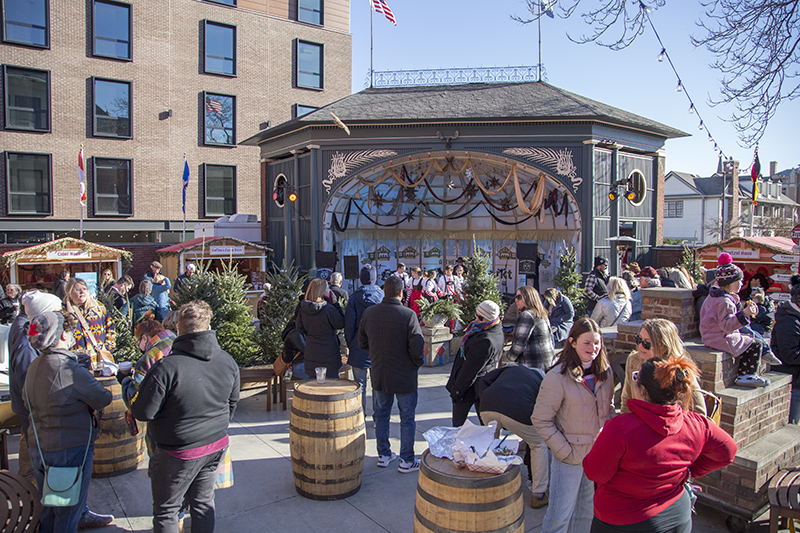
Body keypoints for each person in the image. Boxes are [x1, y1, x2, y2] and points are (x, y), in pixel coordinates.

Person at [583, 356, 737, 533]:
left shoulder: (620, 428)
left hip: (622, 519)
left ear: (643, 391)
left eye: (635, 377)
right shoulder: (697, 424)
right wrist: (689, 470)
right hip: (676, 514)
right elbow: (728, 452)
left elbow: (595, 473)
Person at [130, 301, 240, 533]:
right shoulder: (227, 361)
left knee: (167, 510)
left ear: (178, 328)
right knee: (203, 504)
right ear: (208, 325)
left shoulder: (166, 368)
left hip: (177, 450)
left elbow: (142, 412)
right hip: (215, 444)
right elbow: (231, 404)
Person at [24, 310, 114, 531]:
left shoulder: (35, 364)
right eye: (67, 329)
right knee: (66, 514)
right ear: (62, 335)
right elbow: (103, 398)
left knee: (50, 507)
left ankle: (81, 516)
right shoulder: (68, 368)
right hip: (68, 448)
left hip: (39, 445)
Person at [532, 317, 615, 533]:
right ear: (573, 342)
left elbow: (609, 410)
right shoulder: (557, 377)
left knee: (587, 514)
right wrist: (564, 451)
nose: (593, 348)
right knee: (560, 517)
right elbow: (541, 419)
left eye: (597, 343)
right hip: (569, 458)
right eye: (587, 343)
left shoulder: (605, 374)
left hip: (596, 456)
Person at [358, 275, 425, 473]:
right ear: (401, 293)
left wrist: (376, 354)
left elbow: (362, 342)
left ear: (383, 291)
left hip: (380, 372)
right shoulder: (408, 315)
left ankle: (384, 454)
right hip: (404, 374)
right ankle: (406, 459)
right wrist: (416, 363)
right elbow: (417, 346)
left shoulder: (370, 313)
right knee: (407, 417)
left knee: (382, 415)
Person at [8, 291, 63, 486]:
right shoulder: (25, 343)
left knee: (27, 439)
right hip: (31, 408)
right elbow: (30, 380)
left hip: (29, 407)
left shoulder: (27, 331)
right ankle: (30, 490)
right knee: (31, 444)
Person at [476, 364, 549, 508]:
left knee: (492, 442)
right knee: (539, 444)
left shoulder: (511, 369)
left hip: (488, 404)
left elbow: (483, 380)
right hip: (518, 409)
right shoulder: (541, 382)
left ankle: (489, 480)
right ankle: (538, 494)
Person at [700, 257, 771, 387]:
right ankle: (747, 374)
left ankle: (746, 375)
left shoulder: (714, 296)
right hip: (720, 338)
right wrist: (745, 313)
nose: (742, 283)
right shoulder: (724, 302)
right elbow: (727, 325)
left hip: (710, 336)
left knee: (749, 340)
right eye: (739, 281)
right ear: (730, 282)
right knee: (756, 344)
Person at [619, 319, 706, 415]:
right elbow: (626, 400)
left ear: (664, 347)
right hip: (638, 425)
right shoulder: (633, 361)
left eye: (647, 343)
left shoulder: (679, 370)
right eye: (638, 340)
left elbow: (700, 412)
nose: (640, 346)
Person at [446, 300, 504, 426]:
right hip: (480, 385)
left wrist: (457, 391)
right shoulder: (494, 328)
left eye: (480, 317)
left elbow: (470, 370)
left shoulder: (485, 340)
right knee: (486, 425)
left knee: (459, 427)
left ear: (489, 318)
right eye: (476, 314)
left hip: (470, 388)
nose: (476, 319)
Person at [345, 265, 384, 412]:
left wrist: (352, 345)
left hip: (358, 345)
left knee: (359, 384)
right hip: (378, 346)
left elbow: (349, 326)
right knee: (377, 385)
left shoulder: (354, 298)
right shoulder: (382, 297)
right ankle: (378, 418)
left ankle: (360, 415)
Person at [296, 278, 345, 379]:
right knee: (332, 388)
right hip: (329, 354)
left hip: (311, 353)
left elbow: (299, 328)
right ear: (322, 291)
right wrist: (336, 304)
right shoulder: (328, 309)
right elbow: (341, 323)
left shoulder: (303, 309)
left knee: (314, 388)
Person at [64, 277, 115, 365]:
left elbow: (110, 327)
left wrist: (108, 347)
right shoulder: (64, 313)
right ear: (69, 292)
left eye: (84, 289)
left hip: (98, 360)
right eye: (77, 290)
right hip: (74, 362)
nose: (82, 292)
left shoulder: (98, 308)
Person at [771, 281, 800, 423]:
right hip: (792, 383)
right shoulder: (789, 321)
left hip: (796, 380)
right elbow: (790, 354)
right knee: (790, 424)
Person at [508, 286, 555, 371]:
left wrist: (507, 358)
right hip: (547, 365)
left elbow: (518, 346)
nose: (516, 300)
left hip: (532, 367)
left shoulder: (527, 315)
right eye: (516, 297)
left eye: (519, 297)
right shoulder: (542, 314)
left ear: (528, 298)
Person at [279, 295, 310, 380]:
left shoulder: (299, 327)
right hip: (297, 366)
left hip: (303, 363)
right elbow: (306, 350)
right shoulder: (295, 332)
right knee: (320, 373)